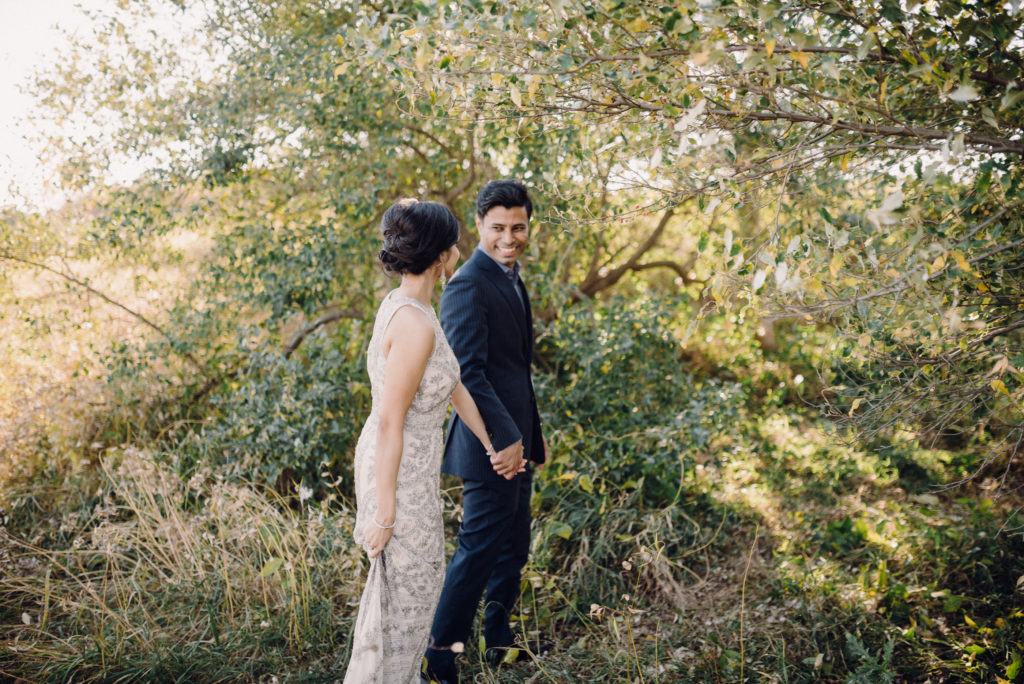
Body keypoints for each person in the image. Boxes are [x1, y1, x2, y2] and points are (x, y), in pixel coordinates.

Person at [344, 199, 519, 684]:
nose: (459, 251)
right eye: (454, 244)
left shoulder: (415, 306)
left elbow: (454, 383)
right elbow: (389, 423)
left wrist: (490, 441)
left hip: (413, 466)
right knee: (408, 594)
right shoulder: (414, 324)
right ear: (441, 255)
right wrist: (384, 514)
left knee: (415, 592)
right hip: (395, 471)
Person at [423, 180, 549, 683]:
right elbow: (467, 372)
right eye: (498, 228)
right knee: (476, 553)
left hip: (519, 441)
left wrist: (533, 436)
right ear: (479, 226)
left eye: (518, 227)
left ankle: (498, 641)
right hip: (490, 448)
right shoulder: (468, 284)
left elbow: (515, 370)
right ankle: (440, 656)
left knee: (513, 549)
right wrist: (505, 440)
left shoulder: (512, 277)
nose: (509, 237)